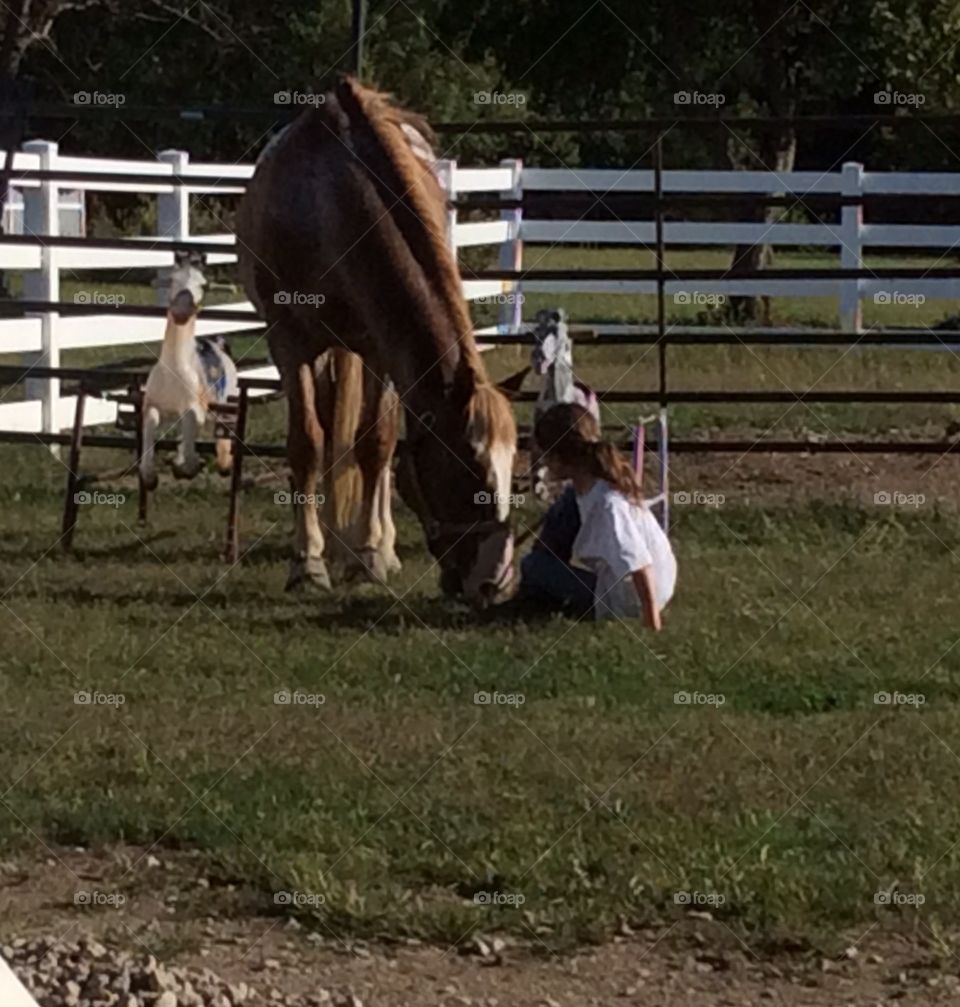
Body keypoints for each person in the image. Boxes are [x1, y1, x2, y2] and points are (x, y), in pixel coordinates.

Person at [519, 403, 676, 628]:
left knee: (533, 566)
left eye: (545, 455)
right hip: (645, 587)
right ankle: (540, 597)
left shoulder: (608, 505)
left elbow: (640, 565)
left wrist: (652, 621)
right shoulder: (592, 487)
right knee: (566, 503)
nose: (542, 463)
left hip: (626, 600)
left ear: (561, 457)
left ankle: (531, 603)